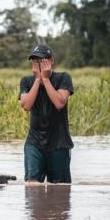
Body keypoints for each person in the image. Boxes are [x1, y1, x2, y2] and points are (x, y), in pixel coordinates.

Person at [19, 44, 74, 183]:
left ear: (51, 61)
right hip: (34, 143)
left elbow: (59, 103)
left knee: (60, 188)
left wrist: (46, 79)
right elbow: (26, 105)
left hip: (59, 143)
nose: (38, 65)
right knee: (31, 185)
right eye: (35, 61)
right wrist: (38, 80)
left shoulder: (63, 78)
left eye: (42, 61)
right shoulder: (26, 81)